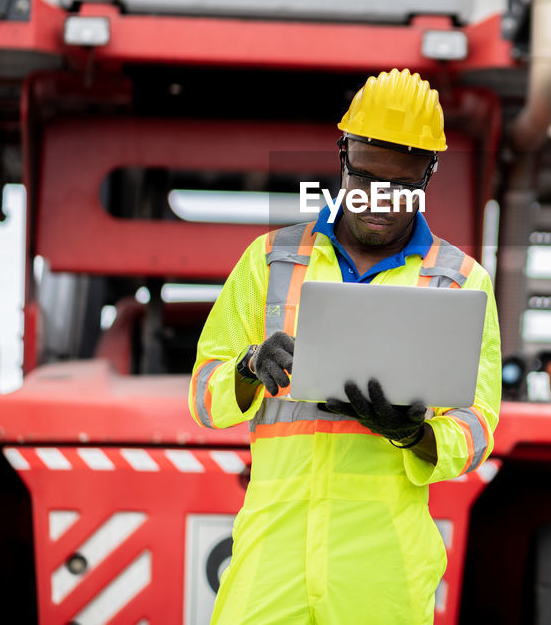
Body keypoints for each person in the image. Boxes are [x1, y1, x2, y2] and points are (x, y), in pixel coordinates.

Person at [189, 69, 501, 625]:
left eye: (402, 186)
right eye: (367, 177)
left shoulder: (460, 282)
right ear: (342, 156)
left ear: (429, 173)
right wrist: (248, 368)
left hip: (380, 575)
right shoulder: (269, 259)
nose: (380, 199)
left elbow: (477, 428)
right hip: (270, 560)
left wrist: (416, 434)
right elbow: (204, 398)